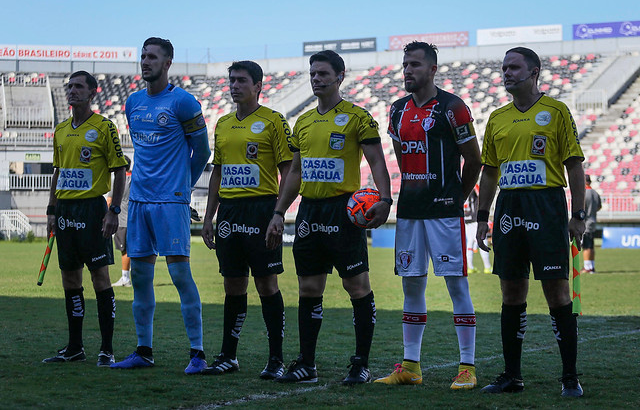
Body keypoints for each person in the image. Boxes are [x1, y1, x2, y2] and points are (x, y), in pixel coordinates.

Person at [265, 50, 392, 385]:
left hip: (343, 213)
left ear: (340, 76)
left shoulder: (357, 117)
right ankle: (307, 363)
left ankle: (360, 364)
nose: (316, 78)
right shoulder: (303, 122)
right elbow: (294, 172)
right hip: (309, 211)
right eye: (312, 73)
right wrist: (279, 211)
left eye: (322, 73)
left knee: (357, 286)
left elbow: (377, 162)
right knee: (309, 287)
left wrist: (385, 199)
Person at [476, 47, 585, 397]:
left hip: (546, 204)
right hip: (508, 207)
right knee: (511, 291)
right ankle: (512, 376)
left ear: (534, 71)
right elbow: (490, 172)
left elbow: (574, 166)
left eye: (514, 67)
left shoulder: (556, 111)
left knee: (556, 291)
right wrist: (482, 216)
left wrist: (578, 215)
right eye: (503, 67)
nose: (506, 72)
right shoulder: (497, 118)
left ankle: (570, 377)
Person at [374, 41, 482, 389]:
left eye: (416, 65)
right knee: (412, 286)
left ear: (433, 69)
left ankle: (468, 367)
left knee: (457, 285)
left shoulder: (454, 108)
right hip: (409, 212)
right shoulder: (397, 110)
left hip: (444, 214)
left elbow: (475, 160)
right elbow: (403, 159)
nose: (408, 70)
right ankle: (410, 366)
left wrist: (456, 198)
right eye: (405, 64)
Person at [111, 38, 211, 375]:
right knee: (140, 276)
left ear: (167, 63)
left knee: (180, 273)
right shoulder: (132, 103)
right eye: (142, 56)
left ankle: (197, 354)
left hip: (171, 202)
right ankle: (143, 350)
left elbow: (204, 151)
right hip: (139, 200)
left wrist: (183, 185)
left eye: (152, 57)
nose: (145, 62)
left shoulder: (183, 102)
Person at [200, 61, 292, 379]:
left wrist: (279, 214)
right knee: (233, 284)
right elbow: (218, 173)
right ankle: (228, 356)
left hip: (261, 209)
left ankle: (276, 358)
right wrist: (209, 217)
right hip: (229, 212)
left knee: (267, 284)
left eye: (242, 80)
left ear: (258, 86)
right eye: (232, 80)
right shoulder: (223, 124)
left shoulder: (273, 121)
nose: (235, 85)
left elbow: (288, 170)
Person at [43, 70, 127, 367]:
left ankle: (106, 348)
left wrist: (113, 210)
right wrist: (52, 210)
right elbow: (58, 171)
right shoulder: (61, 130)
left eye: (78, 87)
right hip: (65, 212)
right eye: (69, 87)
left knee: (100, 277)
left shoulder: (105, 127)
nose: (72, 91)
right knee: (69, 277)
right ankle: (75, 347)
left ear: (92, 92)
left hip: (92, 210)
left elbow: (119, 171)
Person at [108, 154, 132, 287]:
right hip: (134, 218)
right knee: (132, 249)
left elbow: (109, 200)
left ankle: (125, 278)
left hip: (122, 219)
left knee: (125, 250)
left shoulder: (117, 180)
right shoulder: (135, 178)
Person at [465, 185, 492, 274]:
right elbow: (482, 194)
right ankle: (487, 267)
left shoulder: (459, 186)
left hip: (466, 218)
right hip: (474, 217)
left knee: (470, 242)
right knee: (482, 240)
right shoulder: (473, 185)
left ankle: (470, 267)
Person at [581, 174, 601, 274]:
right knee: (591, 246)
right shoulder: (595, 193)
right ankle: (592, 266)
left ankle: (587, 267)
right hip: (593, 221)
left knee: (586, 246)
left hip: (586, 223)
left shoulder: (584, 193)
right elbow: (599, 207)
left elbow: (581, 208)